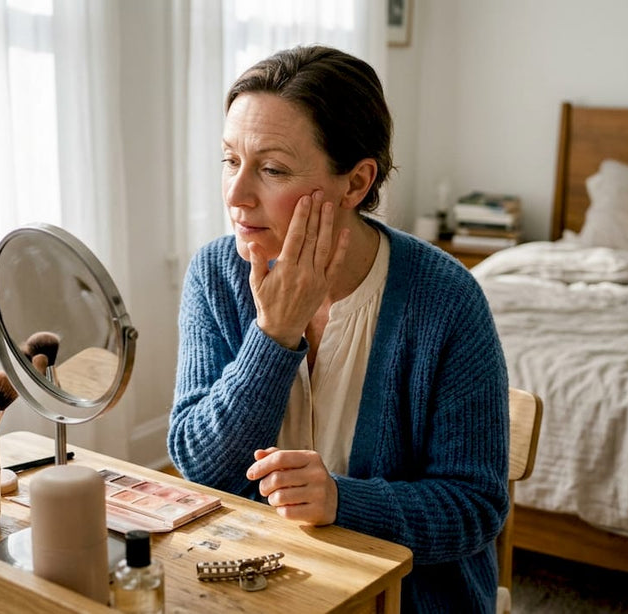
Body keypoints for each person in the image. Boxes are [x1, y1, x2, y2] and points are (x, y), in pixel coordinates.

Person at [168, 45, 509, 613]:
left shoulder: (446, 300)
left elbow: (473, 507)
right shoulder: (216, 275)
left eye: (271, 169)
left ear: (355, 183)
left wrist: (341, 501)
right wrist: (274, 335)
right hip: (254, 586)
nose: (235, 195)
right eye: (231, 160)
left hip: (407, 599)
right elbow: (200, 465)